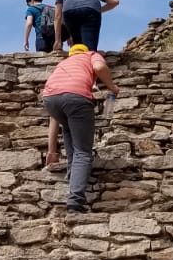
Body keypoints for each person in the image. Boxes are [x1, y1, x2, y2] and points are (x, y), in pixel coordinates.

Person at [43, 43, 119, 213]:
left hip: (50, 100)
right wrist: (112, 87)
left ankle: (73, 180)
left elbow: (54, 119)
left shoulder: (63, 64)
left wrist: (52, 151)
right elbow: (99, 67)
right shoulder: (91, 55)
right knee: (83, 152)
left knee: (71, 135)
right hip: (77, 99)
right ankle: (75, 202)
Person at [53, 0, 119, 52]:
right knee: (90, 48)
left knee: (78, 46)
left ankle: (78, 60)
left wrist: (58, 41)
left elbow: (57, 16)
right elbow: (115, 1)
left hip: (70, 12)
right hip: (91, 11)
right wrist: (99, 10)